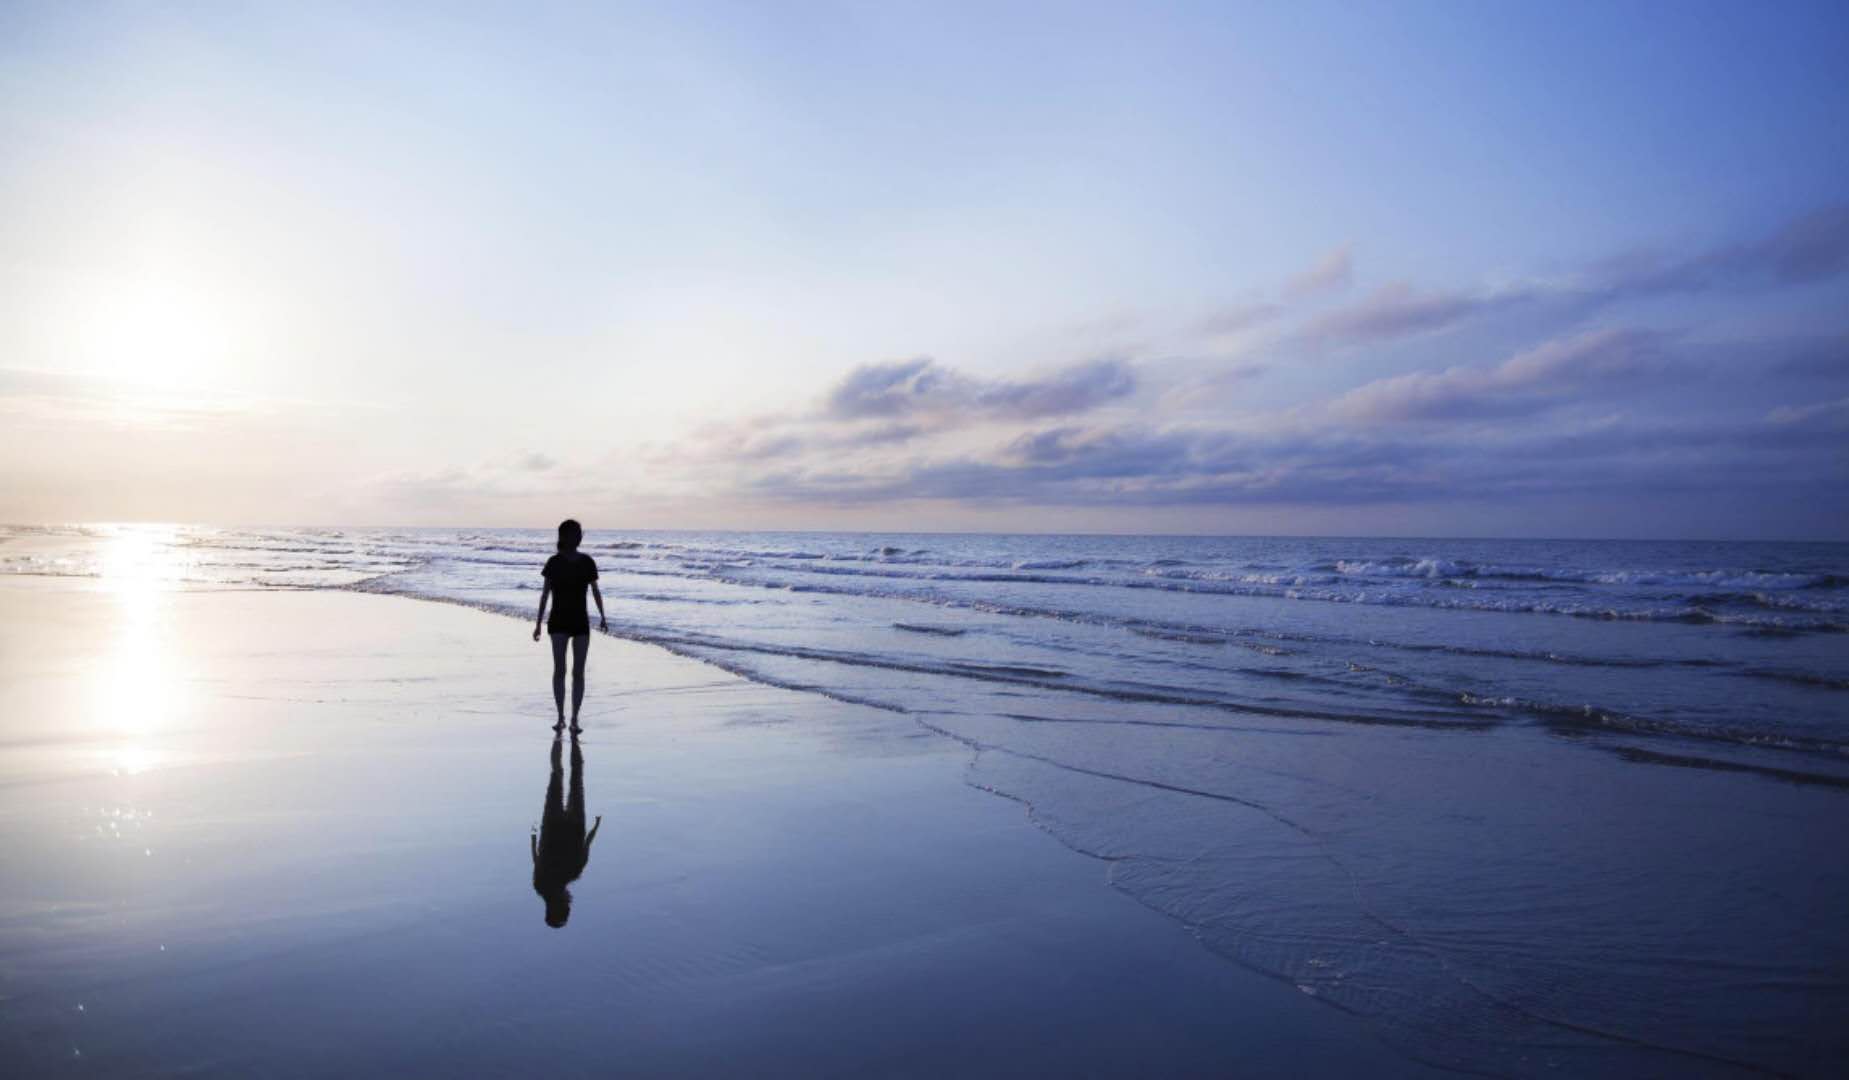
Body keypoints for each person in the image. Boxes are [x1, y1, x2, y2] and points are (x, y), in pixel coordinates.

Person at [533, 518, 605, 733]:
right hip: (558, 622)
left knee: (579, 672)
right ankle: (560, 717)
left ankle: (574, 718)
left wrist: (603, 616)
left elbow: (595, 590)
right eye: (575, 533)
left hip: (580, 622)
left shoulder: (587, 562)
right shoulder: (553, 562)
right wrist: (537, 624)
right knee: (560, 670)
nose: (579, 536)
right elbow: (545, 594)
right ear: (564, 536)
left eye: (580, 533)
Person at [532, 734, 601, 929]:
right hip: (552, 823)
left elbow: (587, 844)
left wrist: (596, 826)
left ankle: (572, 736)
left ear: (564, 905)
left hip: (573, 823)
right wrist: (533, 833)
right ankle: (559, 735)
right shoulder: (540, 883)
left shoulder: (574, 871)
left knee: (576, 776)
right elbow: (535, 857)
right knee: (557, 774)